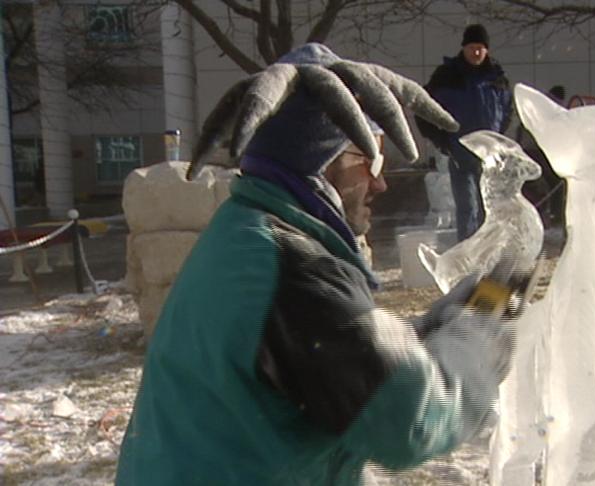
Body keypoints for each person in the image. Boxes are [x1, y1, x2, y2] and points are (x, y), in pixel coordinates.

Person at [116, 44, 515, 485]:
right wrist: (480, 335)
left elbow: (343, 364)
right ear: (317, 164)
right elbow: (410, 421)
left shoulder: (246, 234)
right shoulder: (290, 267)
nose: (380, 183)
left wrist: (439, 327)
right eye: (369, 159)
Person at [417, 23, 512, 241]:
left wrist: (499, 137)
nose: (476, 52)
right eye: (472, 48)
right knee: (468, 208)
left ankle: (488, 253)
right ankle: (469, 255)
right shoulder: (446, 76)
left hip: (489, 155)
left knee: (490, 208)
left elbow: (508, 110)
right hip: (460, 154)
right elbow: (422, 108)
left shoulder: (497, 77)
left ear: (487, 50)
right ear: (463, 48)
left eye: (480, 48)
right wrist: (441, 140)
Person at [516, 85, 567, 227]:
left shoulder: (537, 108)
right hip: (539, 153)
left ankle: (547, 216)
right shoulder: (554, 112)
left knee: (539, 186)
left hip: (529, 152)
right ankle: (555, 216)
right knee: (554, 184)